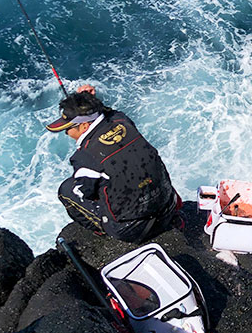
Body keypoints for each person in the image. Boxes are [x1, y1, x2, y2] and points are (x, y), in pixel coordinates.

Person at [47, 84, 180, 242]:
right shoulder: (121, 120)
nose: (67, 133)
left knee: (67, 190)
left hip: (133, 229)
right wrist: (90, 102)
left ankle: (106, 233)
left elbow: (87, 193)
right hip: (168, 206)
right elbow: (109, 114)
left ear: (84, 126)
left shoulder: (84, 156)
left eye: (67, 129)